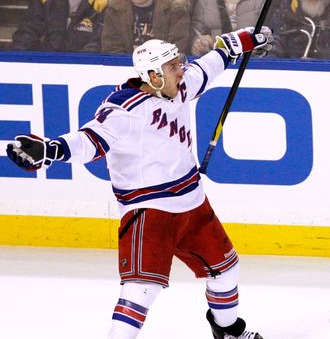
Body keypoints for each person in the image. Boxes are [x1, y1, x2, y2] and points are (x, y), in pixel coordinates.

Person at [6, 25, 273, 339]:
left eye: (178, 62)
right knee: (141, 291)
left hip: (193, 204)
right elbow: (89, 140)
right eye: (172, 66)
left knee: (226, 271)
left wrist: (244, 39)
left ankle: (227, 331)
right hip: (149, 212)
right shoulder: (122, 109)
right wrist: (52, 150)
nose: (181, 69)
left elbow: (214, 60)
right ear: (154, 76)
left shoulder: (181, 85)